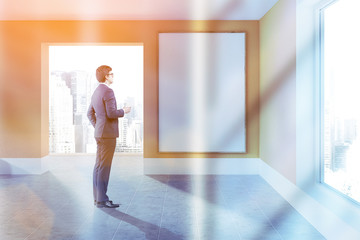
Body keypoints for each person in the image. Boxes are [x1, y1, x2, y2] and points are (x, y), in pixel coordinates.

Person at [87, 65, 131, 208]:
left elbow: (90, 113)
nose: (113, 76)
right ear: (106, 76)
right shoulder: (108, 91)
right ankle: (102, 199)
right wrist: (123, 111)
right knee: (104, 167)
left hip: (99, 133)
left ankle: (98, 198)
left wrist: (98, 127)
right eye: (111, 74)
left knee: (99, 166)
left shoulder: (95, 92)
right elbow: (111, 113)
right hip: (107, 135)